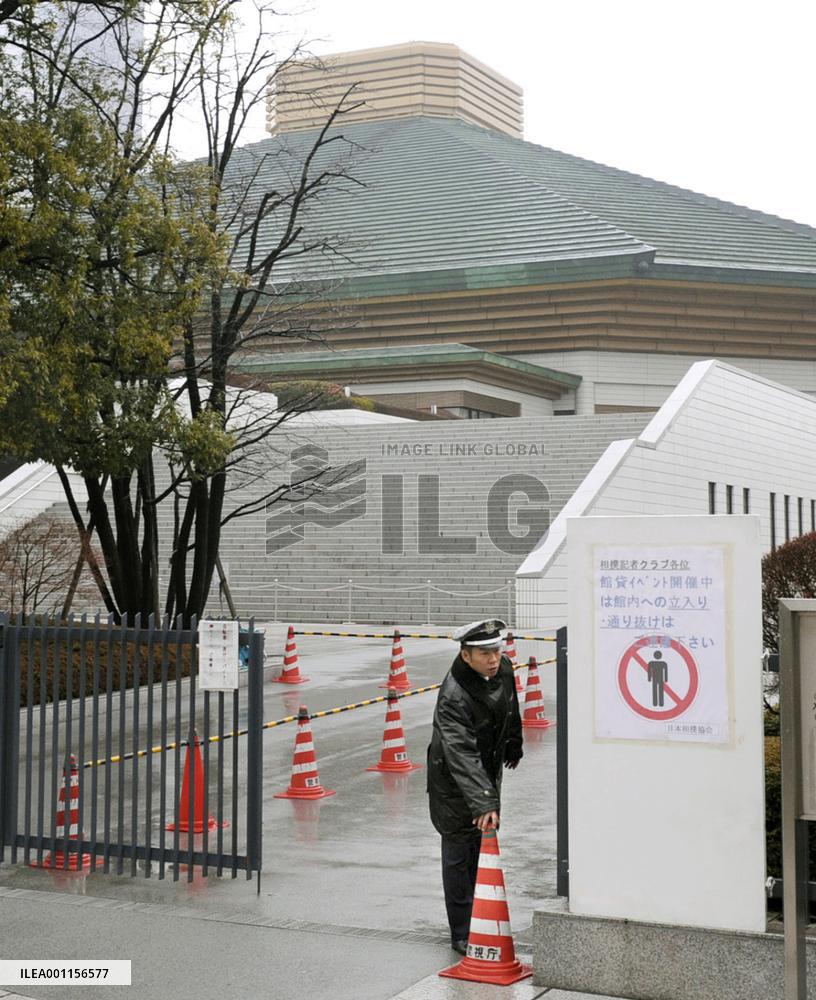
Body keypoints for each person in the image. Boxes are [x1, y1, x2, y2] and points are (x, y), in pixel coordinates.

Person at [426, 618, 523, 955]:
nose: (493, 659)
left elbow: (510, 707)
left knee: (480, 848)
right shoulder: (453, 696)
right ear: (465, 656)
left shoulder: (503, 668)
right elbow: (460, 752)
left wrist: (514, 742)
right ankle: (462, 931)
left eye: (496, 650)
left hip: (486, 770)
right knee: (459, 853)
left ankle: (480, 918)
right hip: (453, 781)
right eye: (484, 653)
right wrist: (484, 801)